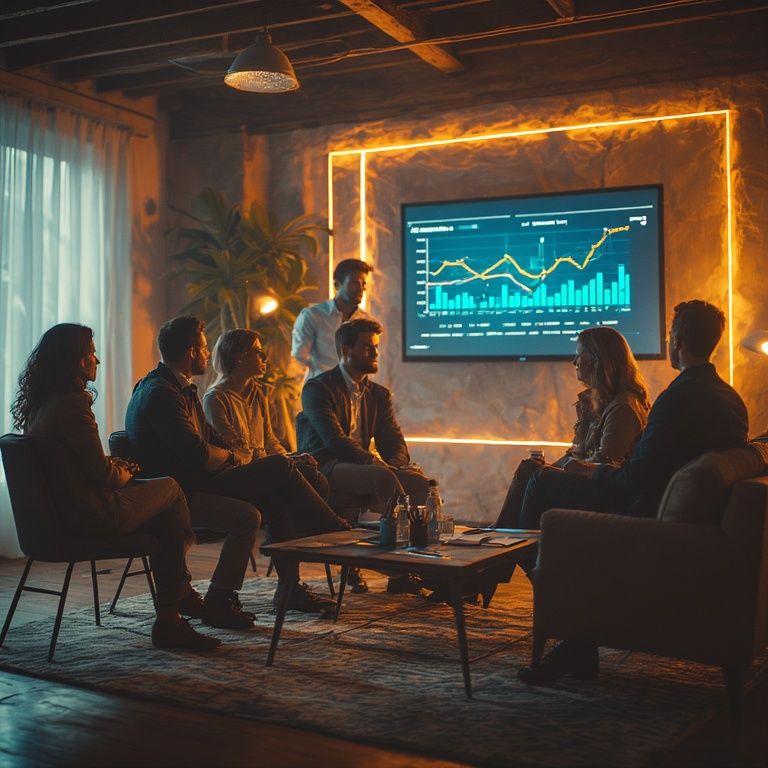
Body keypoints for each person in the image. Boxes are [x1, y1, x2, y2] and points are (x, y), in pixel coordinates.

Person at [517, 299, 749, 684]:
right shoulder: (730, 398)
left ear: (677, 341)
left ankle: (543, 578)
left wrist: (590, 472)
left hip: (644, 517)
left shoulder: (677, 399)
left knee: (540, 481)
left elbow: (632, 481)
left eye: (670, 334)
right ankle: (569, 625)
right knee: (539, 477)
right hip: (680, 516)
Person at [11, 324, 220, 651]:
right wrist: (125, 471)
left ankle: (171, 616)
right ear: (77, 360)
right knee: (170, 487)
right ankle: (177, 597)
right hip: (90, 515)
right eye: (92, 352)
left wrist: (117, 469)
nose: (98, 359)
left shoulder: (41, 406)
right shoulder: (72, 405)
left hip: (58, 519)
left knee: (166, 520)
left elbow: (81, 468)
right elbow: (103, 477)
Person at [126, 316, 350, 617]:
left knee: (279, 489)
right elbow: (199, 454)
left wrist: (227, 454)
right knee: (279, 473)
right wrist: (230, 456)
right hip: (181, 492)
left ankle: (279, 590)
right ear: (191, 352)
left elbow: (213, 441)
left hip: (197, 481)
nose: (209, 355)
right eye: (204, 348)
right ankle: (335, 532)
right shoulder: (162, 393)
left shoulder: (179, 388)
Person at [297, 318, 431, 595]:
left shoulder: (378, 394)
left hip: (366, 467)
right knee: (381, 476)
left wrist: (395, 464)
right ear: (346, 351)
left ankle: (404, 566)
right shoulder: (317, 389)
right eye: (367, 347)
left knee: (419, 482)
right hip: (327, 465)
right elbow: (333, 440)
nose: (375, 353)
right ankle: (396, 566)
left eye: (376, 347)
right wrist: (376, 464)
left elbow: (393, 439)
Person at [493, 326, 650, 528]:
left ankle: (518, 547)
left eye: (578, 355)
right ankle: (499, 534)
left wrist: (559, 469)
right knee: (529, 468)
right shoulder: (600, 402)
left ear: (597, 359)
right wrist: (553, 465)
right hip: (591, 480)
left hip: (608, 492)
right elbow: (577, 453)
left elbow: (605, 463)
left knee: (540, 478)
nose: (573, 362)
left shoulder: (624, 407)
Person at [203, 329, 329, 500]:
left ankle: (312, 526)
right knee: (294, 475)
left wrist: (293, 458)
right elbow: (236, 451)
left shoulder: (257, 394)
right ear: (239, 357)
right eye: (258, 352)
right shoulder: (216, 399)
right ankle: (332, 524)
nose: (265, 358)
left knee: (314, 475)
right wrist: (285, 462)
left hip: (264, 465)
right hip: (237, 472)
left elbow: (269, 440)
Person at [292, 259, 376, 381]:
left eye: (363, 284)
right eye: (354, 283)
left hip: (355, 395)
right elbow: (298, 360)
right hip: (321, 392)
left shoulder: (367, 321)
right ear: (337, 285)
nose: (361, 289)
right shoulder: (312, 316)